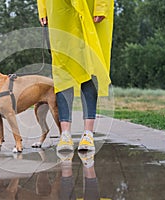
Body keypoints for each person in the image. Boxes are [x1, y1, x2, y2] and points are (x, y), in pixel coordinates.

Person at [37, 0, 114, 152]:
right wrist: (43, 8)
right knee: (62, 70)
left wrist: (101, 6)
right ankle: (65, 134)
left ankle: (88, 134)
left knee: (89, 67)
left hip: (89, 7)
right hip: (59, 8)